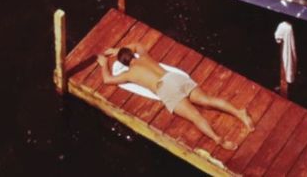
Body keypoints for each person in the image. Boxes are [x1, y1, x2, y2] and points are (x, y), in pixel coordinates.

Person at [97, 46, 253, 151]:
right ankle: (240, 113)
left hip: (164, 88)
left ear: (123, 63)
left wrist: (104, 64)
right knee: (207, 100)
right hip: (173, 77)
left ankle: (218, 139)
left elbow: (107, 80)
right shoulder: (144, 56)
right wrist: (117, 49)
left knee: (195, 116)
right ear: (132, 55)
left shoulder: (129, 74)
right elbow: (136, 45)